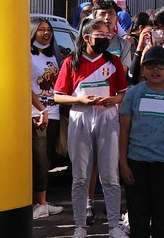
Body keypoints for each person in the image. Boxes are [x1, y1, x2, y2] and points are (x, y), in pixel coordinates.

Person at [54, 17, 128, 238]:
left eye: (107, 35)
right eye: (100, 36)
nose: (105, 39)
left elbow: (122, 93)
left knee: (110, 175)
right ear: (86, 38)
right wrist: (81, 101)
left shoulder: (113, 62)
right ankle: (79, 226)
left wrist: (113, 101)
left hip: (107, 117)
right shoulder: (71, 62)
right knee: (80, 176)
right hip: (81, 117)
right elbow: (58, 96)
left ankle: (114, 226)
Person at [118, 45, 164, 238]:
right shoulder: (133, 94)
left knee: (161, 220)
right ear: (142, 69)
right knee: (138, 219)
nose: (156, 70)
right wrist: (123, 163)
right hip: (136, 163)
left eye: (161, 65)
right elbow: (124, 130)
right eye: (150, 66)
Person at [30, 18, 63, 220]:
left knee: (49, 159)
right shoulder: (27, 55)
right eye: (41, 29)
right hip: (36, 115)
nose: (46, 33)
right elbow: (25, 86)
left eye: (49, 30)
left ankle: (41, 201)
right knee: (39, 161)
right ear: (32, 32)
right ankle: (39, 204)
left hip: (54, 113)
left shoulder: (51, 56)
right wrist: (41, 109)